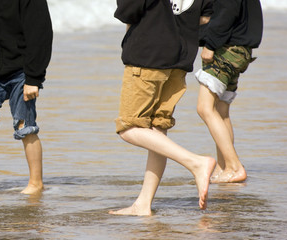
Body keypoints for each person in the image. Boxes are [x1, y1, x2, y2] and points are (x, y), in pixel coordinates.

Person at [109, 0, 216, 216]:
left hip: (147, 55)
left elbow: (127, 11)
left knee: (128, 127)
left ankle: (196, 162)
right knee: (157, 130)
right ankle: (143, 203)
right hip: (180, 59)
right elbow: (206, 17)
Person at [0, 0, 53, 194]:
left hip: (22, 71)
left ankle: (36, 183)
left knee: (25, 127)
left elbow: (41, 35)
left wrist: (34, 78)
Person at [195, 0, 263, 183]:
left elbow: (227, 12)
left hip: (226, 49)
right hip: (239, 49)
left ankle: (234, 166)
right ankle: (224, 167)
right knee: (221, 111)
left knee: (204, 108)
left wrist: (209, 45)